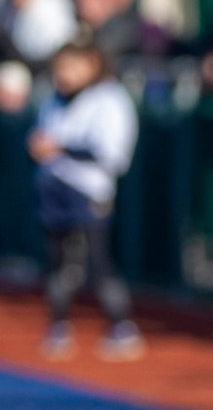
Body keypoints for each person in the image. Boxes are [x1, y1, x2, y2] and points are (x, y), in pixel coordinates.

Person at [30, 41, 141, 362]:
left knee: (97, 260)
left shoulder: (110, 100)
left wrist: (60, 148)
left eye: (72, 66)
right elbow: (43, 139)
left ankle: (121, 327)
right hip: (52, 187)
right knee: (57, 260)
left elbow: (112, 155)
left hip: (90, 190)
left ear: (92, 64)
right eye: (60, 67)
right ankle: (58, 327)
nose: (64, 74)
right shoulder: (53, 100)